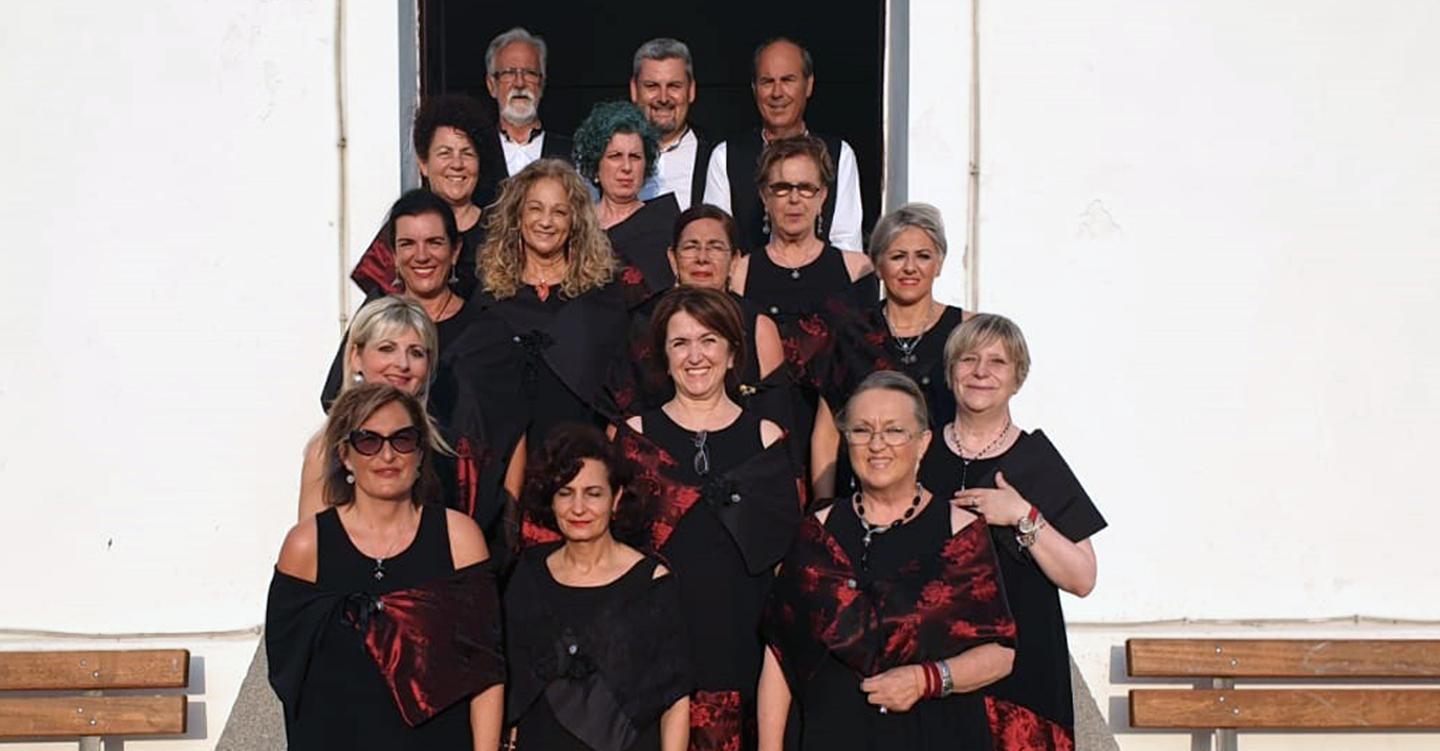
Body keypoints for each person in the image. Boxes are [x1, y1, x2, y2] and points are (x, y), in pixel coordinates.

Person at [758, 371, 1023, 751]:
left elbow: (1000, 653)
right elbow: (778, 653)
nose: (877, 444)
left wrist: (925, 679)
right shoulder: (817, 531)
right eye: (862, 430)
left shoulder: (959, 532)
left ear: (922, 443)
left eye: (895, 431)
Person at [267, 384, 505, 751]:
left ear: (421, 451)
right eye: (369, 441)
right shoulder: (306, 546)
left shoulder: (459, 539)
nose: (387, 455)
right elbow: (290, 678)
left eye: (403, 439)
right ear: (345, 455)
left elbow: (486, 673)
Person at [614, 286, 801, 750]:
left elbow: (784, 568)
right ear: (663, 354)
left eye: (709, 340)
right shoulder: (634, 436)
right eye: (680, 343)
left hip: (739, 652)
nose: (695, 356)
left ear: (733, 350)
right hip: (651, 657)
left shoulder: (767, 438)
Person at [919, 314, 1106, 745]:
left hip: (1024, 671)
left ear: (1017, 379)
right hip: (935, 663)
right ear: (951, 373)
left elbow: (1083, 578)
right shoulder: (919, 451)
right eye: (968, 360)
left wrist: (1023, 514)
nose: (981, 372)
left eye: (997, 362)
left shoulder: (1036, 460)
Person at [446, 159, 629, 524]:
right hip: (504, 477)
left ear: (575, 221)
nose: (546, 221)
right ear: (516, 216)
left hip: (581, 479)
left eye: (559, 211)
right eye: (536, 208)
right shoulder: (487, 299)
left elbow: (619, 400)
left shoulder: (603, 299)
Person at [505, 425, 692, 751]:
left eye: (593, 493)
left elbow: (675, 701)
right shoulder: (529, 573)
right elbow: (511, 681)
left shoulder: (652, 582)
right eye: (565, 493)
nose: (578, 508)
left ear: (616, 498)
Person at [808, 203, 971, 498]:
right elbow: (827, 429)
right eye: (897, 256)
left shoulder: (968, 330)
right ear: (878, 266)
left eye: (923, 256)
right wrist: (823, 508)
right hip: (863, 495)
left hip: (946, 497)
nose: (910, 267)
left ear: (940, 264)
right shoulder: (849, 331)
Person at [608, 205, 785, 418]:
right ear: (673, 258)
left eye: (715, 247)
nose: (702, 258)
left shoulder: (757, 325)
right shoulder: (641, 323)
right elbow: (621, 419)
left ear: (735, 260)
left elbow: (777, 420)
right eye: (691, 247)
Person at [323, 190, 480, 415]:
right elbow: (334, 399)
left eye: (434, 242)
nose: (421, 256)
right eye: (407, 244)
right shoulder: (376, 318)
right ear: (394, 255)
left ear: (455, 251)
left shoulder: (485, 329)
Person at [702, 37, 863, 251]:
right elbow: (716, 243)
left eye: (788, 80)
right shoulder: (726, 156)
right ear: (754, 88)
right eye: (767, 82)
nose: (777, 93)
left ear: (808, 85)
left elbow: (847, 244)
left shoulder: (840, 155)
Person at [302, 296, 440, 518]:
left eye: (416, 352)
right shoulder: (325, 451)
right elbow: (314, 544)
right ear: (356, 357)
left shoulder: (442, 447)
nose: (402, 364)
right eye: (387, 349)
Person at [351, 95, 490, 301]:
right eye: (445, 153)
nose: (457, 164)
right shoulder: (401, 229)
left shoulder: (500, 230)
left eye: (467, 154)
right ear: (423, 164)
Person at [573, 101, 680, 305]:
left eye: (635, 157)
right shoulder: (577, 227)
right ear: (595, 166)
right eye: (615, 156)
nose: (627, 167)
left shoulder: (667, 224)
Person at [475, 28, 574, 209]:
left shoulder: (572, 154)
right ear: (491, 85)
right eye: (509, 73)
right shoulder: (475, 152)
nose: (520, 83)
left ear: (541, 84)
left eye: (529, 73)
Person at [630, 38, 711, 211]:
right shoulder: (607, 156)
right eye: (652, 86)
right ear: (634, 90)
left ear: (691, 91)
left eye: (674, 86)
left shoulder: (716, 155)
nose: (663, 98)